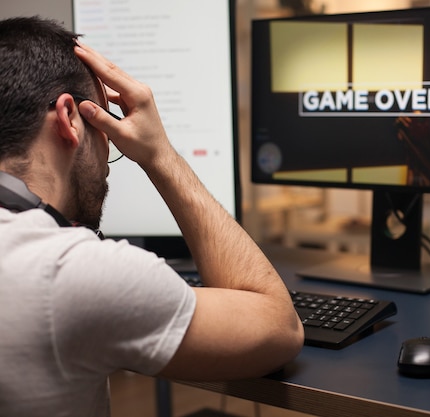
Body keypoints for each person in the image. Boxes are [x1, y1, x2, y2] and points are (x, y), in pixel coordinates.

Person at [0, 16, 304, 416]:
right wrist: (159, 153)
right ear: (71, 119)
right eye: (105, 128)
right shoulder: (70, 270)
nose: (109, 157)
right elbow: (280, 328)